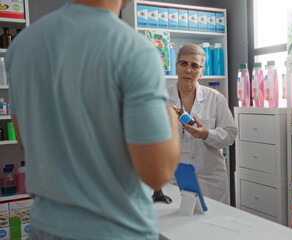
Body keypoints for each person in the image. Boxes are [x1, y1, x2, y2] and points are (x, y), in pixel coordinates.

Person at [6, 0, 181, 239]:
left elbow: (25, 139)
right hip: (115, 229)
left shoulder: (23, 44)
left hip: (44, 228)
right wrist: (170, 117)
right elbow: (157, 173)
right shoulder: (134, 50)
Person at [167, 44, 237, 204]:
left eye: (194, 65)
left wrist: (207, 134)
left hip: (210, 179)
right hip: (174, 178)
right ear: (176, 66)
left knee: (213, 225)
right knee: (176, 225)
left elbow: (230, 135)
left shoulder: (215, 98)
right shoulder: (161, 98)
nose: (188, 70)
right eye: (183, 63)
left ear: (202, 71)